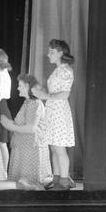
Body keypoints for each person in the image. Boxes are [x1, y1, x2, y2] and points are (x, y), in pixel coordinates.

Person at [32, 39, 76, 190]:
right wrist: (42, 93)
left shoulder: (65, 70)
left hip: (59, 111)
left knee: (59, 147)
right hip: (52, 110)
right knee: (53, 147)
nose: (48, 54)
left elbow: (64, 94)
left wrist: (45, 96)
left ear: (60, 53)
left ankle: (64, 181)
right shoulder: (58, 70)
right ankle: (57, 179)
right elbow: (53, 93)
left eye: (52, 51)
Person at [1, 74, 53, 190]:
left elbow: (31, 128)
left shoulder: (34, 104)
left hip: (30, 150)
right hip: (24, 148)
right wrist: (12, 124)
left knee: (28, 186)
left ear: (28, 87)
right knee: (23, 186)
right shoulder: (27, 103)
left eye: (20, 86)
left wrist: (11, 126)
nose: (18, 88)